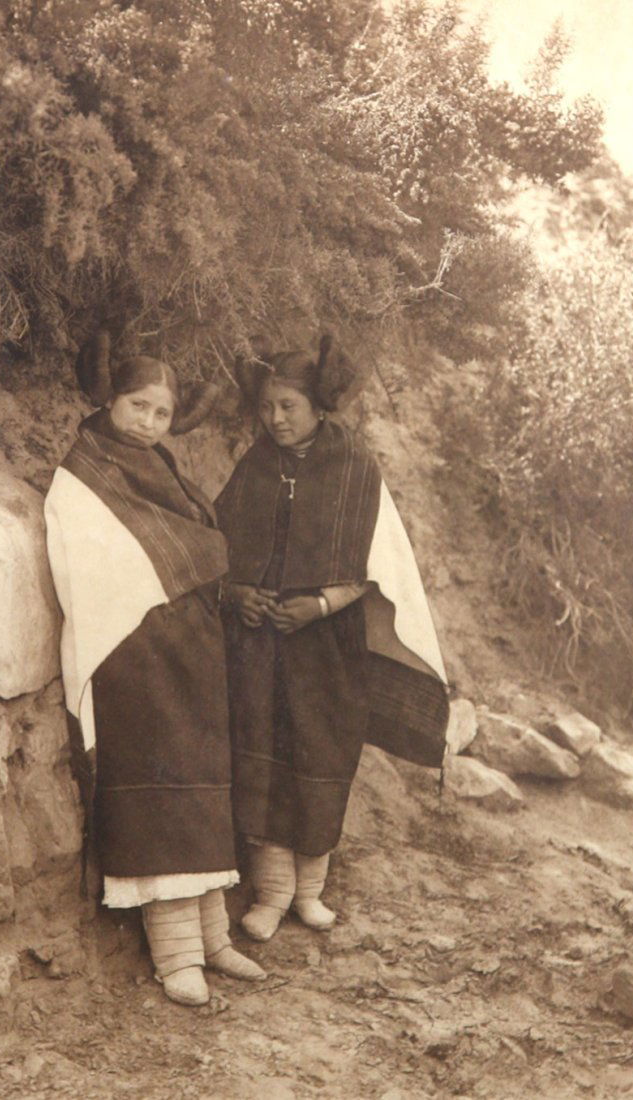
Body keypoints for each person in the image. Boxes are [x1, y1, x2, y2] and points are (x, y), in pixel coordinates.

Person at [44, 330, 265, 1006]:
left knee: (201, 782)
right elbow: (87, 562)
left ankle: (212, 936)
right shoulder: (84, 471)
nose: (147, 422)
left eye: (161, 412)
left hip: (189, 651)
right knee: (159, 789)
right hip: (133, 657)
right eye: (137, 406)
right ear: (109, 400)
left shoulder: (162, 467)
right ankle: (176, 959)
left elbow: (191, 543)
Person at [216, 335, 449, 943]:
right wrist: (240, 594)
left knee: (321, 758)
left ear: (319, 404)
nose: (276, 419)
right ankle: (271, 895)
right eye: (267, 407)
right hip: (262, 647)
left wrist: (319, 604)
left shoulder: (355, 467)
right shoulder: (255, 464)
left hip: (327, 649)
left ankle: (311, 893)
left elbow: (380, 569)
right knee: (265, 757)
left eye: (289, 406)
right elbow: (217, 549)